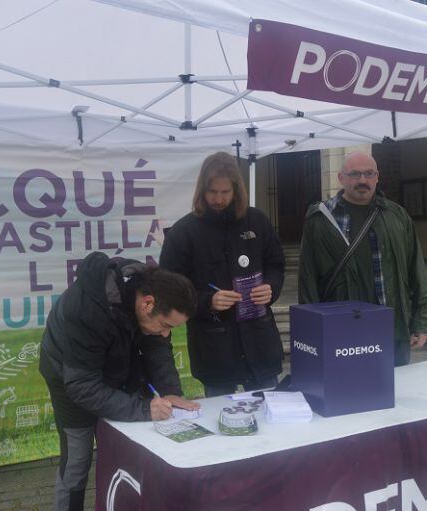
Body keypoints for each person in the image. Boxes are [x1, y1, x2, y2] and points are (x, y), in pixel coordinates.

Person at [39, 251, 200, 511]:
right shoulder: (85, 312)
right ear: (147, 304)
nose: (167, 333)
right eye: (166, 324)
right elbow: (83, 387)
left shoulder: (147, 296)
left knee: (122, 443)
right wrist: (143, 408)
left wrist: (170, 392)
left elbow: (157, 348)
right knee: (78, 458)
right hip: (69, 377)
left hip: (111, 364)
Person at [160, 151, 285, 397]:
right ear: (201, 191)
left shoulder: (256, 221)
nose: (218, 199)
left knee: (270, 417)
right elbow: (169, 289)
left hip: (259, 343)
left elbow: (276, 264)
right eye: (212, 192)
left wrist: (271, 287)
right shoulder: (183, 232)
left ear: (236, 190)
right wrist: (207, 301)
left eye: (225, 192)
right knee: (222, 421)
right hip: (214, 349)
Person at [297, 151, 427, 366]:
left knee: (395, 393)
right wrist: (313, 330)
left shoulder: (397, 216)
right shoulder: (321, 220)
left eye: (368, 173)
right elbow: (308, 279)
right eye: (354, 174)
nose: (362, 180)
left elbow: (417, 271)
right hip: (343, 331)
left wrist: (423, 322)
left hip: (393, 330)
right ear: (341, 178)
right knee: (348, 393)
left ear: (377, 176)